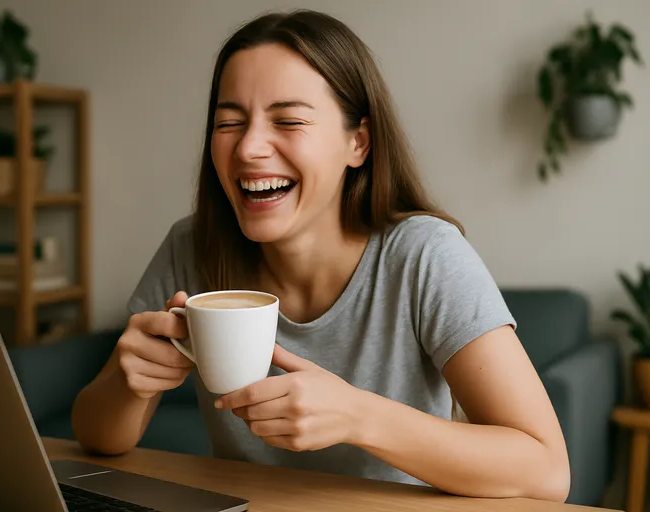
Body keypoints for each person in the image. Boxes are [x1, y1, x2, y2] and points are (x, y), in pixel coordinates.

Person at [72, 9, 570, 502]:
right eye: (229, 122)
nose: (248, 147)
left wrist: (359, 416)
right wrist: (127, 381)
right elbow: (98, 439)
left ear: (358, 141)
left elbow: (546, 471)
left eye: (287, 120)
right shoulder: (191, 247)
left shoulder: (425, 255)